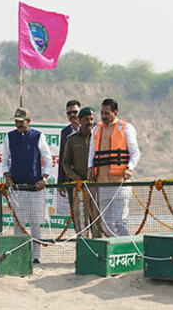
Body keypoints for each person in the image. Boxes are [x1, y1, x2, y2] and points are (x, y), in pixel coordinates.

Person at [2, 108, 52, 263]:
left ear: (28, 122)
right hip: (17, 189)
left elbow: (48, 159)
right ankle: (20, 254)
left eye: (21, 122)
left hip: (34, 188)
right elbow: (4, 161)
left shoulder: (38, 136)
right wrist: (7, 176)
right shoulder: (9, 136)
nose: (18, 124)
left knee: (35, 222)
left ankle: (36, 256)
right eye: (16, 121)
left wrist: (44, 178)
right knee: (18, 222)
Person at [87, 98, 140, 237]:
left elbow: (135, 153)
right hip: (102, 183)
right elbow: (92, 153)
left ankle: (124, 250)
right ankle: (111, 252)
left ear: (115, 112)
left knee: (120, 221)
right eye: (102, 113)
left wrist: (129, 167)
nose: (103, 116)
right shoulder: (97, 129)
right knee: (105, 222)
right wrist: (90, 167)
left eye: (107, 113)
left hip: (119, 184)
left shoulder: (126, 128)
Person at [62, 107, 99, 238]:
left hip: (96, 186)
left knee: (97, 222)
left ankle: (97, 254)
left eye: (91, 119)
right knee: (80, 222)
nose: (89, 122)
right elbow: (65, 162)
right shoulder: (72, 140)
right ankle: (83, 253)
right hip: (79, 186)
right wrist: (75, 177)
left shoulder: (98, 137)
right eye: (86, 119)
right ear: (80, 120)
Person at [57, 100, 81, 201]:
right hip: (71, 178)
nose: (72, 115)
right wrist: (60, 182)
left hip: (88, 178)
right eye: (69, 113)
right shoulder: (65, 132)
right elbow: (63, 157)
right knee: (74, 211)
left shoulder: (92, 127)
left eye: (75, 112)